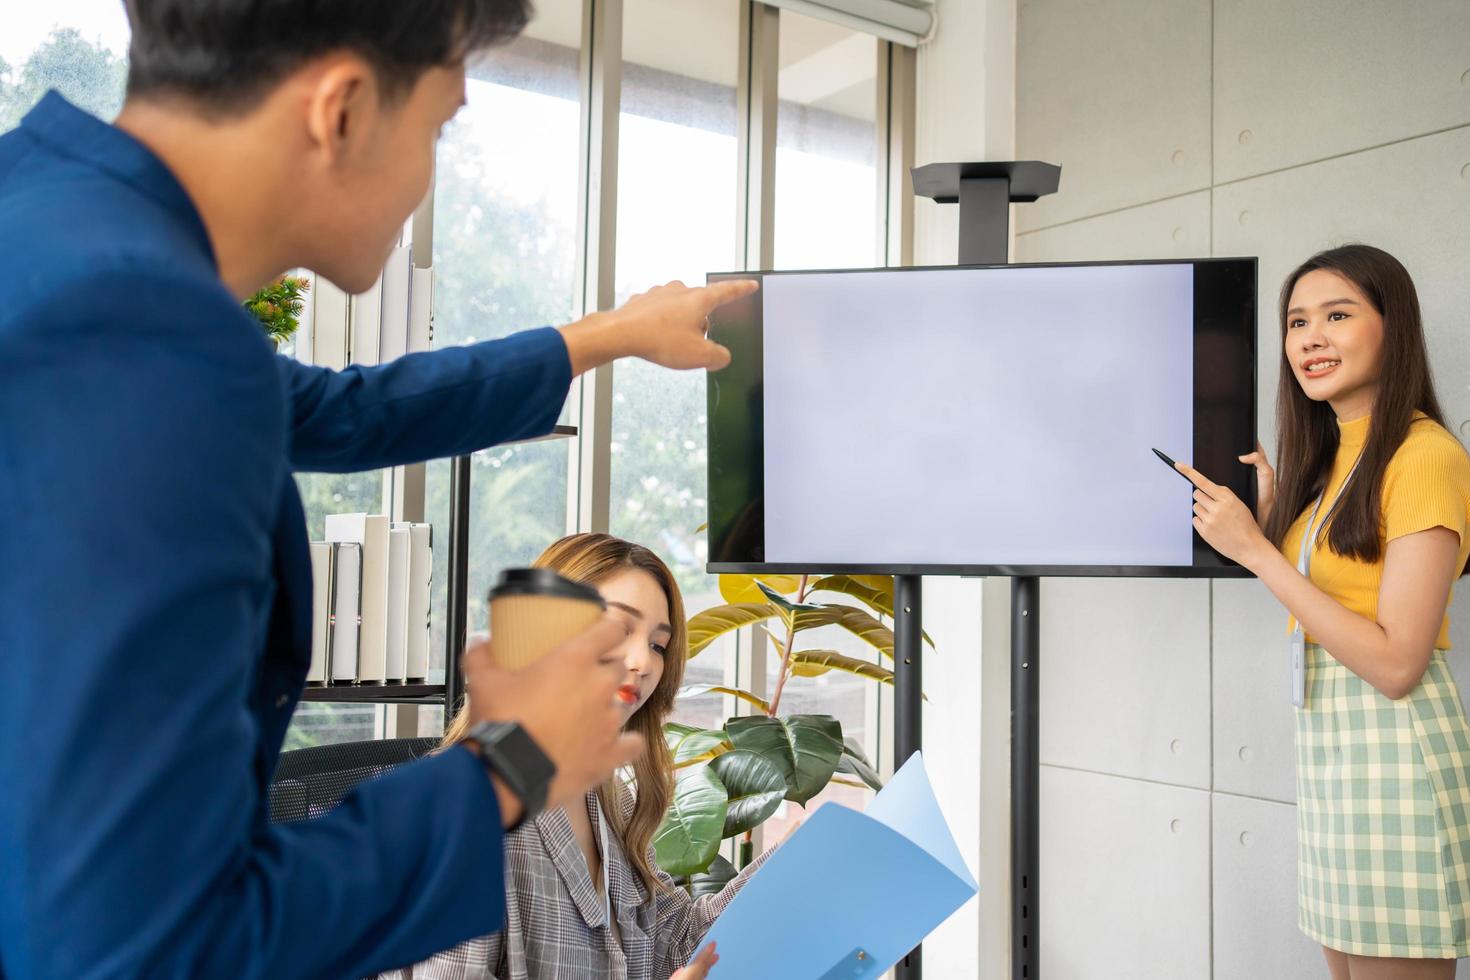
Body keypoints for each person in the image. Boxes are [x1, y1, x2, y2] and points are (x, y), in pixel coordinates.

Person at [0, 2, 755, 978]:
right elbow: (149, 938)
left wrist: (610, 334)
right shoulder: (147, 343)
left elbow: (350, 412)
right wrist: (511, 768)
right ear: (345, 109)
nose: (432, 170)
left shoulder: (50, 225)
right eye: (441, 125)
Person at [1176, 244, 1470, 980]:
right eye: (1297, 320)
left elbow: (1398, 664)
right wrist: (1278, 524)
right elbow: (1333, 595)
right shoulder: (1335, 457)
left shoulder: (1424, 455)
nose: (1311, 337)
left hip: (1393, 750)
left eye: (1337, 315)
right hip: (1333, 753)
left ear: (1391, 328)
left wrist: (1260, 553)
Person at [382, 533, 777, 980]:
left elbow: (681, 943)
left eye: (657, 645)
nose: (643, 663)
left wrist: (795, 865)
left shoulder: (607, 798)